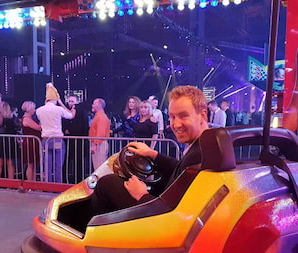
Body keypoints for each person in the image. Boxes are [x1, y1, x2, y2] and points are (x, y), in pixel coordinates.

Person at [90, 85, 209, 215]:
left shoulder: (201, 153)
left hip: (162, 217)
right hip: (163, 204)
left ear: (203, 115)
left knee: (106, 183)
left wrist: (141, 194)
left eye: (183, 116)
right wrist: (152, 154)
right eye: (172, 117)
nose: (176, 124)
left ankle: (95, 232)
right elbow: (180, 169)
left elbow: (177, 212)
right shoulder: (201, 146)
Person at [36, 83, 75, 182]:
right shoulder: (59, 109)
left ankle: (48, 187)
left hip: (45, 140)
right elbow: (71, 115)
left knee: (47, 167)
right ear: (56, 99)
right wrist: (61, 103)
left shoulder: (39, 110)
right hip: (57, 139)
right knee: (58, 166)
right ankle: (57, 187)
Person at [62, 95, 90, 183]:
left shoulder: (82, 112)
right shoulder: (66, 111)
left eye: (72, 101)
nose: (70, 103)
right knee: (66, 160)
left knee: (78, 161)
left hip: (78, 141)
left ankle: (78, 180)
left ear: (77, 102)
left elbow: (82, 125)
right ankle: (65, 179)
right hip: (68, 141)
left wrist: (70, 130)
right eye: (69, 101)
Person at [21, 101, 42, 181]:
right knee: (30, 164)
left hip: (33, 142)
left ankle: (33, 183)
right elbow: (38, 128)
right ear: (29, 109)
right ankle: (30, 183)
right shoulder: (26, 119)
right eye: (33, 108)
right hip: (30, 143)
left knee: (33, 165)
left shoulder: (29, 118)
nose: (34, 110)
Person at [89, 98, 111, 170]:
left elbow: (100, 133)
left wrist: (95, 145)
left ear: (99, 106)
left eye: (94, 104)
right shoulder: (99, 116)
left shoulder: (101, 117)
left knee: (99, 168)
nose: (92, 105)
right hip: (98, 144)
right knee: (98, 167)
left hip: (99, 144)